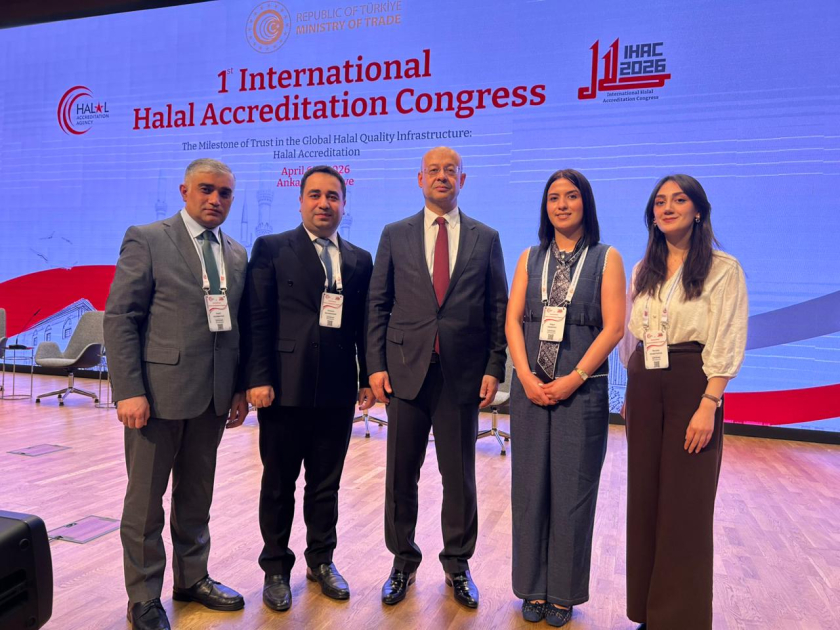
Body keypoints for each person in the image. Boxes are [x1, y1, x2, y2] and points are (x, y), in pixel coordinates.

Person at [104, 158, 249, 630]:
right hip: (156, 397)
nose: (215, 199)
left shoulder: (236, 252)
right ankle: (144, 597)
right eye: (206, 189)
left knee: (197, 497)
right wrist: (128, 390)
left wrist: (237, 388)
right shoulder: (147, 239)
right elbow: (121, 318)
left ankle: (192, 578)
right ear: (185, 191)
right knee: (145, 503)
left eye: (224, 193)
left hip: (213, 398)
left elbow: (236, 328)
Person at [366, 146, 508, 609]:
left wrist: (493, 367)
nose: (442, 176)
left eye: (451, 170)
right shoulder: (395, 234)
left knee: (459, 477)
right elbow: (378, 304)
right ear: (420, 179)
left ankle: (457, 565)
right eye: (433, 170)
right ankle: (402, 562)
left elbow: (497, 309)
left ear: (462, 180)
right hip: (404, 373)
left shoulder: (486, 238)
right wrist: (375, 365)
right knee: (400, 475)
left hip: (461, 376)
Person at [240, 165, 374, 613]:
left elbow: (363, 325)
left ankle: (322, 560)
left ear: (343, 205)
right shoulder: (272, 248)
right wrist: (257, 378)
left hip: (336, 390)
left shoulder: (359, 259)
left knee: (325, 485)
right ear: (300, 202)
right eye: (315, 195)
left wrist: (366, 376)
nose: (323, 203)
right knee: (279, 484)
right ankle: (276, 568)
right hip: (283, 388)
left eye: (332, 196)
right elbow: (257, 318)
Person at [620, 174, 748, 630]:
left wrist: (709, 402)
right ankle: (647, 613)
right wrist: (631, 392)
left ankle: (679, 620)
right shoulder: (643, 269)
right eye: (660, 202)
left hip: (693, 385)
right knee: (644, 500)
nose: (668, 207)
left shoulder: (723, 268)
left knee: (685, 506)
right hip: (644, 385)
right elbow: (633, 337)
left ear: (698, 211)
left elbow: (728, 337)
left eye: (679, 200)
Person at [505, 169, 625, 626]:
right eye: (553, 197)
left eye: (571, 196)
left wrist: (575, 377)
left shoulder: (606, 257)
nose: (561, 204)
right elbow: (513, 320)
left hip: (582, 389)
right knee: (529, 489)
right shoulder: (529, 257)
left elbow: (614, 327)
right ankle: (531, 588)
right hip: (530, 389)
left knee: (573, 493)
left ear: (585, 203)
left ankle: (563, 593)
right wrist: (524, 375)